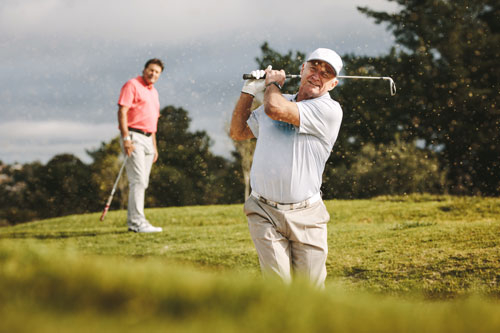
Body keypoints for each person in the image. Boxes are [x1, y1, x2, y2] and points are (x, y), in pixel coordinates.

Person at [229, 48, 343, 287]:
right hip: (264, 211)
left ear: (333, 84)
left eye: (326, 73)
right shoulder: (279, 98)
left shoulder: (330, 110)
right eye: (314, 67)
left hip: (307, 215)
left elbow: (275, 109)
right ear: (302, 69)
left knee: (310, 292)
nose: (317, 75)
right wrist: (248, 92)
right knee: (278, 289)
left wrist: (272, 84)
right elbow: (238, 132)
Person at [117, 58, 164, 233]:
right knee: (138, 181)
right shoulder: (132, 85)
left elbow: (152, 122)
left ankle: (136, 221)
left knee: (143, 182)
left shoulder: (154, 92)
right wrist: (126, 138)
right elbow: (122, 111)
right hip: (133, 135)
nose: (153, 74)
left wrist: (155, 146)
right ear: (144, 70)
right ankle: (137, 223)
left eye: (157, 72)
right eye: (151, 70)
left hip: (148, 139)